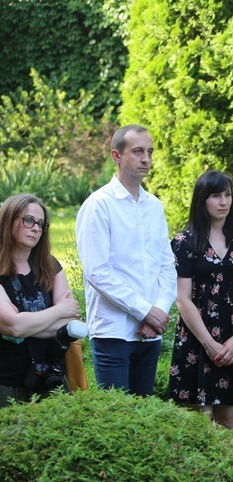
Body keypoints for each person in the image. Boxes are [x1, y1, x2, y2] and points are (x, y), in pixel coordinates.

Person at [76, 124, 177, 397]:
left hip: (149, 332)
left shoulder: (154, 206)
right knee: (115, 417)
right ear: (116, 156)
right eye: (138, 151)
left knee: (143, 417)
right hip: (113, 332)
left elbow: (167, 266)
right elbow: (97, 272)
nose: (146, 158)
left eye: (150, 152)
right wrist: (145, 311)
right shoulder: (99, 205)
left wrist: (157, 311)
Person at [168, 170, 233, 430]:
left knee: (228, 419)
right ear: (201, 200)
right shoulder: (183, 242)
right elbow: (182, 298)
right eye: (215, 196)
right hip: (197, 337)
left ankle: (227, 471)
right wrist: (209, 344)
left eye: (227, 195)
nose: (223, 201)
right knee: (195, 419)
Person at [0, 194, 85, 407]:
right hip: (6, 381)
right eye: (28, 220)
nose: (36, 228)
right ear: (9, 220)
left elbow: (68, 326)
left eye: (40, 224)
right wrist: (58, 311)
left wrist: (21, 323)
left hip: (50, 378)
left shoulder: (49, 265)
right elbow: (15, 327)